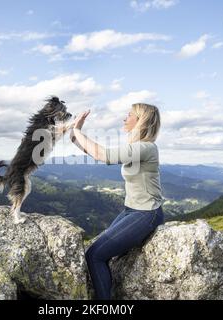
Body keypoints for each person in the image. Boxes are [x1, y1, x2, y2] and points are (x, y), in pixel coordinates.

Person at [69, 103, 165, 300]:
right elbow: (94, 153)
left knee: (95, 255)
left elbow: (103, 155)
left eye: (129, 115)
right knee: (97, 251)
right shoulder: (135, 147)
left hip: (147, 213)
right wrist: (74, 137)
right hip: (131, 210)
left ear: (141, 121)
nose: (124, 118)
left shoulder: (146, 148)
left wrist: (78, 131)